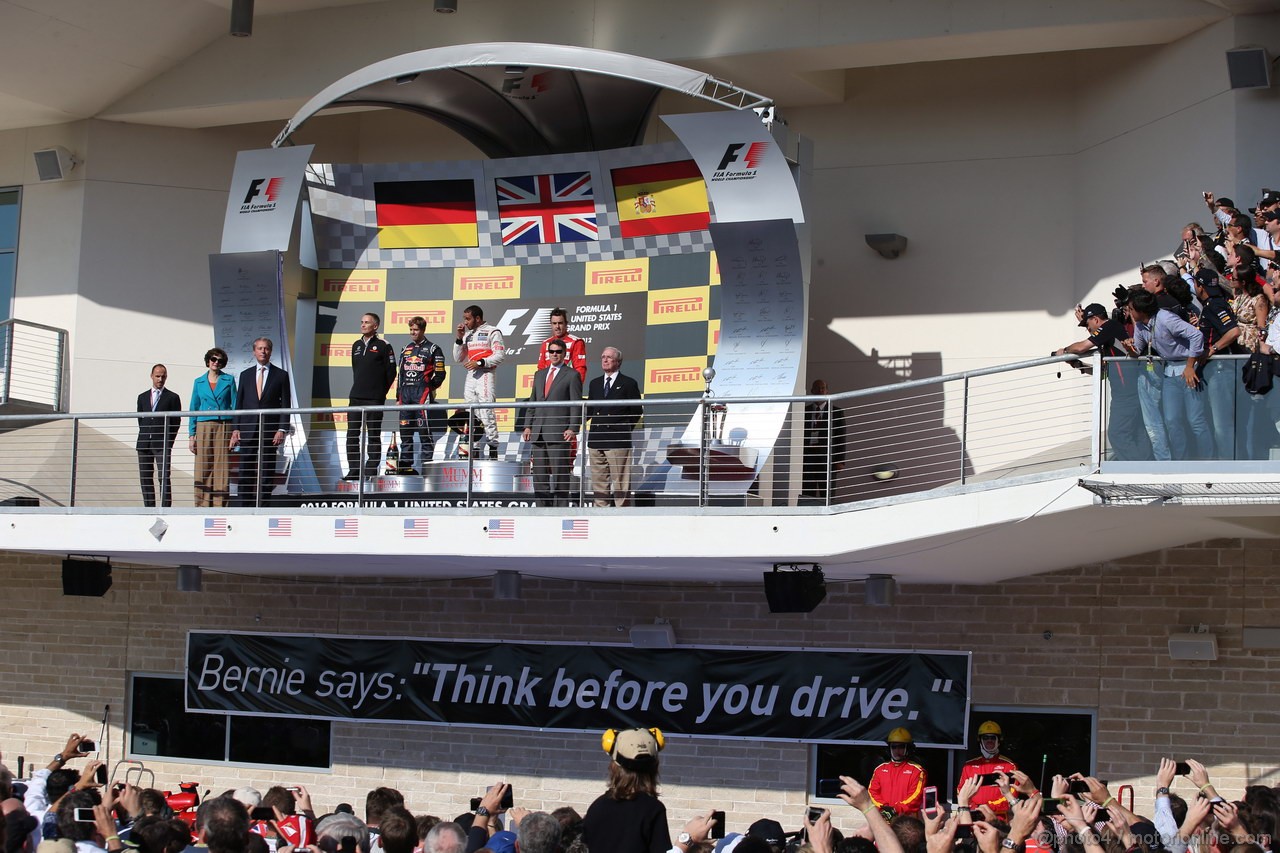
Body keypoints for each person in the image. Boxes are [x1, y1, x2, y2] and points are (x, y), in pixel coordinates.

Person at [582, 728, 714, 853]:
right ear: (654, 766)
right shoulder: (652, 809)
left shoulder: (596, 807)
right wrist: (688, 839)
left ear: (614, 765)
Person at [1055, 304, 1150, 461]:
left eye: (1088, 324)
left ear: (1096, 319)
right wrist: (1078, 365)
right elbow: (1103, 370)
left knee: (1117, 434)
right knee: (1136, 432)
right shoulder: (1108, 337)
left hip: (1126, 392)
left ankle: (1136, 469)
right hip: (1126, 390)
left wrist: (1064, 351)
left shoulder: (1109, 326)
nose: (1088, 329)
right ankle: (1147, 467)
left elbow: (1082, 347)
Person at [1129, 289, 1213, 460]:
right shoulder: (1140, 326)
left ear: (1141, 310)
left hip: (1188, 370)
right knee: (1172, 421)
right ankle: (1180, 463)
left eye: (1131, 309)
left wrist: (1190, 366)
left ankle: (1208, 461)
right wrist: (1128, 348)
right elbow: (1137, 350)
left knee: (1195, 420)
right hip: (1169, 373)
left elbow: (1196, 335)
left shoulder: (1166, 318)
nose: (1129, 312)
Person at [518, 341, 582, 506]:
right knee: (539, 475)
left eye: (558, 351)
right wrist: (528, 425)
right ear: (548, 353)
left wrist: (573, 428)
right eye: (551, 351)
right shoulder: (540, 374)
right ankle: (542, 509)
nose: (554, 354)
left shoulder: (572, 375)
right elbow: (533, 402)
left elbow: (576, 403)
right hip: (538, 432)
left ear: (564, 353)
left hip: (559, 432)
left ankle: (560, 510)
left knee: (561, 474)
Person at [230, 338, 290, 507]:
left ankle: (263, 506)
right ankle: (244, 506)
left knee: (266, 471)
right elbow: (239, 404)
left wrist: (282, 429)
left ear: (271, 352)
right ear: (254, 351)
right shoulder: (245, 375)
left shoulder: (281, 375)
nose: (263, 351)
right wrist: (236, 428)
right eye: (260, 348)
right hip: (248, 429)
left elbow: (286, 404)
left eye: (266, 349)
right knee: (246, 470)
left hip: (270, 431)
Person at [584, 347, 642, 507]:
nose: (605, 359)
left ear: (618, 362)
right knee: (599, 482)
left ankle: (621, 515)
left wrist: (622, 429)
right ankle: (601, 513)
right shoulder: (595, 383)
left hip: (618, 440)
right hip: (596, 439)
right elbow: (590, 410)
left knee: (620, 481)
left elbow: (636, 411)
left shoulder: (628, 383)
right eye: (603, 357)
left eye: (609, 357)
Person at [346, 313, 397, 480]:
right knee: (352, 435)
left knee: (373, 435)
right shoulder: (356, 345)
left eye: (366, 322)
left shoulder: (384, 345)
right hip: (355, 397)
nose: (362, 325)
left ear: (375, 326)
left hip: (375, 398)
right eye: (361, 322)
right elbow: (356, 370)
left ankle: (370, 470)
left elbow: (391, 372)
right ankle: (354, 471)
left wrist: (380, 392)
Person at [453, 305, 506, 460]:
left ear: (477, 318)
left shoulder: (492, 331)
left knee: (486, 410)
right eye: (464, 318)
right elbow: (458, 358)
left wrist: (481, 363)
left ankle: (493, 449)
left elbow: (500, 355)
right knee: (471, 413)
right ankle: (474, 450)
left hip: (485, 374)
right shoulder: (467, 335)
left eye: (468, 319)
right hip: (471, 376)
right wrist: (459, 337)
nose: (465, 322)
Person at [395, 316, 446, 473]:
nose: (413, 332)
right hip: (405, 394)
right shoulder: (406, 349)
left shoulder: (433, 349)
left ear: (423, 330)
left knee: (424, 432)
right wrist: (398, 397)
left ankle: (426, 466)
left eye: (416, 330)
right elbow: (401, 374)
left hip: (422, 394)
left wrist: (428, 387)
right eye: (411, 330)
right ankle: (405, 466)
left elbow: (440, 373)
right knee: (405, 432)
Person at [188, 347, 236, 507]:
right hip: (203, 425)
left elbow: (235, 406)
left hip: (224, 424)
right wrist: (191, 434)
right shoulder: (198, 382)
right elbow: (193, 408)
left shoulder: (229, 380)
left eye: (220, 361)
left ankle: (220, 505)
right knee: (202, 465)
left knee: (222, 466)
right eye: (213, 359)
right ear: (208, 361)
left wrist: (236, 430)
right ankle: (201, 504)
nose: (216, 363)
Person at [136, 364, 181, 508]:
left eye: (163, 376)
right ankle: (148, 508)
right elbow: (140, 419)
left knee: (164, 477)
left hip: (162, 443)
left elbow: (176, 422)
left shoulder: (172, 397)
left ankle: (165, 508)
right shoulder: (142, 397)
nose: (160, 379)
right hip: (144, 443)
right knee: (145, 478)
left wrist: (168, 442)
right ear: (151, 376)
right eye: (157, 376)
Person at [957, 720, 1018, 818]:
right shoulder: (968, 766)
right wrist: (974, 807)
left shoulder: (1009, 765)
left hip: (999, 818)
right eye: (985, 738)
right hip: (974, 816)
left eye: (992, 738)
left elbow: (1012, 795)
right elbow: (961, 790)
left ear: (999, 740)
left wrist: (987, 807)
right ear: (980, 740)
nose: (989, 741)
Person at [801, 380, 846, 500]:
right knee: (807, 490)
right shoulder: (803, 411)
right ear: (812, 391)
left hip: (827, 457)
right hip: (808, 456)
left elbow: (840, 437)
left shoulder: (836, 412)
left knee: (827, 493)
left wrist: (840, 461)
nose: (820, 391)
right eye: (817, 388)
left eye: (823, 388)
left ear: (827, 391)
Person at [868, 728, 926, 817]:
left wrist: (896, 809)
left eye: (901, 746)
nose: (897, 750)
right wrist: (884, 807)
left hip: (906, 820)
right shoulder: (879, 769)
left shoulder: (917, 771)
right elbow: (872, 792)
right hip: (884, 817)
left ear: (908, 748)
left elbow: (916, 796)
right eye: (894, 747)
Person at [537, 308, 587, 382]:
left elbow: (580, 369)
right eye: (554, 323)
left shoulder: (576, 342)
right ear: (550, 324)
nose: (557, 326)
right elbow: (541, 369)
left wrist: (575, 389)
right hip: (548, 388)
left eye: (560, 323)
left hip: (566, 387)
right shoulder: (545, 343)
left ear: (566, 324)